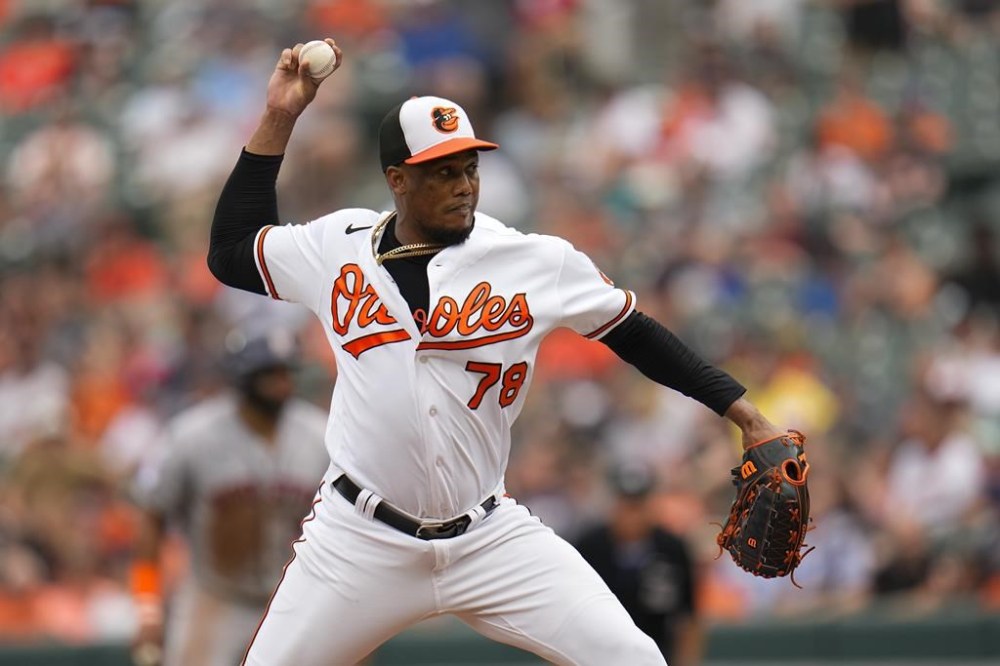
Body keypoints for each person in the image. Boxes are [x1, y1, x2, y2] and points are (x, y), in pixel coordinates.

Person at [207, 39, 789, 666]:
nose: (463, 187)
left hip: (487, 536)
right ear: (397, 180)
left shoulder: (533, 260)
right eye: (442, 173)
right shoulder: (337, 245)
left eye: (469, 169)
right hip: (358, 539)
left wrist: (746, 415)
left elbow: (636, 334)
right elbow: (232, 250)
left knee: (636, 659)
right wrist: (281, 115)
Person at [129, 330, 330, 666]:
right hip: (215, 597)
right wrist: (148, 608)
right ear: (242, 378)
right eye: (269, 374)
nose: (281, 383)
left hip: (292, 598)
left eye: (285, 372)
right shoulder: (191, 435)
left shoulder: (321, 435)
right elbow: (152, 514)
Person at [575, 464, 702, 665]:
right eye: (626, 505)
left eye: (638, 505)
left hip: (657, 655)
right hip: (599, 656)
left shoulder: (672, 548)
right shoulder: (589, 547)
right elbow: (570, 614)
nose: (632, 514)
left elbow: (688, 619)